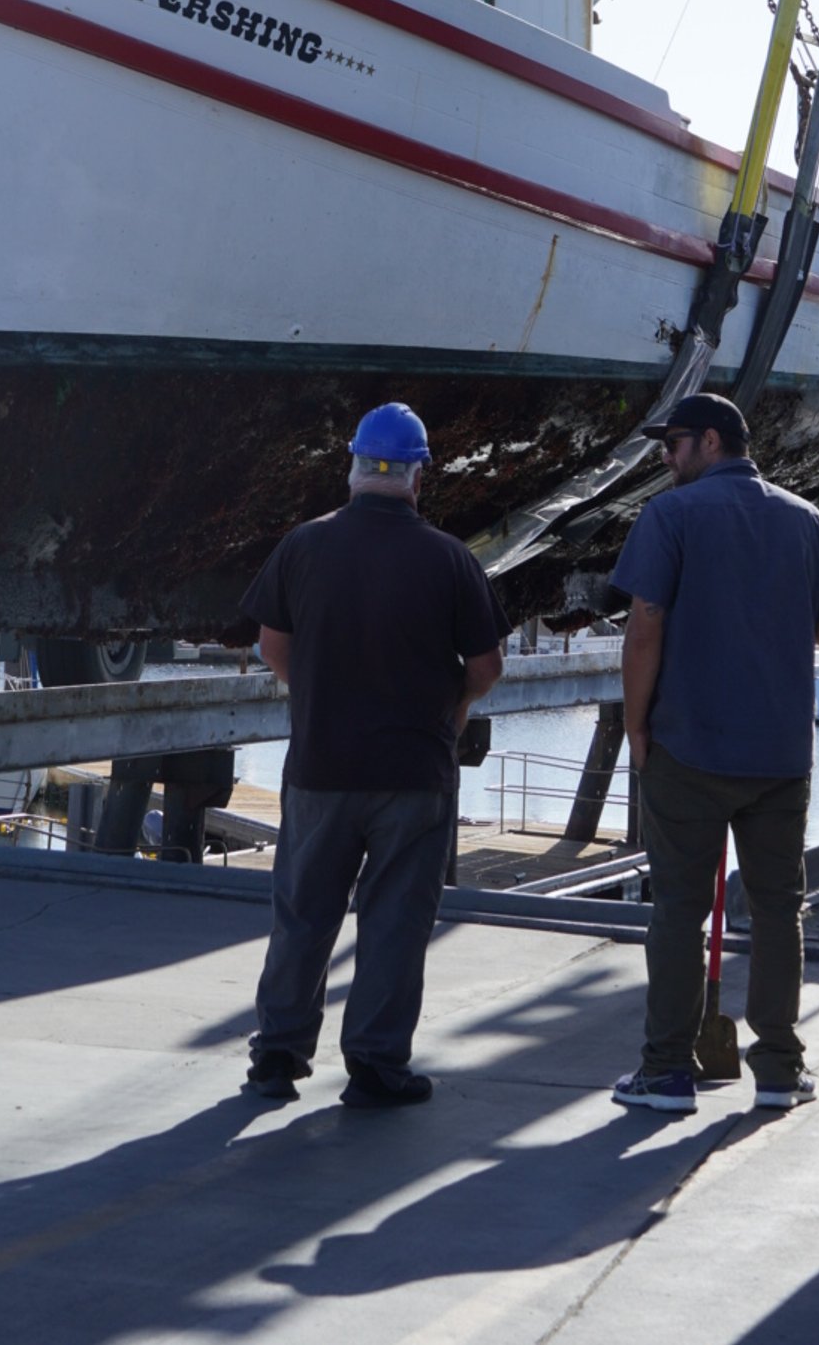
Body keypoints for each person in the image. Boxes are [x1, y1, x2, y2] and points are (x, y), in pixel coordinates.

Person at [240, 402, 509, 1108]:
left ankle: (276, 1057)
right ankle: (376, 1064)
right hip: (413, 775)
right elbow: (486, 668)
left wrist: (319, 695)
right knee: (394, 919)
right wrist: (449, 714)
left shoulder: (303, 546)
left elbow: (272, 646)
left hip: (321, 767)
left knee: (303, 912)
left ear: (353, 467)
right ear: (419, 476)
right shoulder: (450, 558)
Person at [608, 392, 819, 1117]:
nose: (664, 456)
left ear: (710, 442)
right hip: (780, 756)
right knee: (780, 911)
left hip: (688, 746)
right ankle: (778, 1071)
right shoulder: (807, 521)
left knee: (679, 912)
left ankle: (666, 1075)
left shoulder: (671, 517)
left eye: (673, 442)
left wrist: (638, 725)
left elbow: (644, 626)